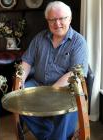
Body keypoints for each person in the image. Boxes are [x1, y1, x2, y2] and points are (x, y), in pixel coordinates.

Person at [18, 1, 88, 140]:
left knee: (69, 107)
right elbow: (26, 61)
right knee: (20, 99)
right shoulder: (39, 38)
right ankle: (51, 136)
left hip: (66, 89)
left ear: (70, 18)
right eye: (53, 20)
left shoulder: (79, 42)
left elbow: (74, 73)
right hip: (38, 83)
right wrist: (20, 80)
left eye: (62, 18)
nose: (57, 23)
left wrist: (51, 92)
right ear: (48, 21)